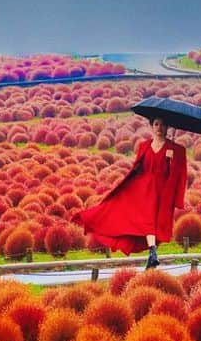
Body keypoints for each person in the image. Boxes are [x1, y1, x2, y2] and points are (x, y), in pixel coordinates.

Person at [79, 115, 188, 268]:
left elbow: (178, 175)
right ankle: (152, 253)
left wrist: (172, 160)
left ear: (167, 127)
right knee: (148, 220)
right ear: (152, 126)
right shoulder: (144, 146)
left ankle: (152, 255)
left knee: (156, 225)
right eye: (156, 124)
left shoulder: (175, 149)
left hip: (162, 191)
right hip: (144, 189)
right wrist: (127, 187)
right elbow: (137, 168)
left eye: (163, 125)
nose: (159, 128)